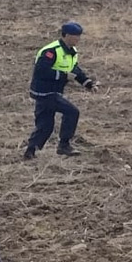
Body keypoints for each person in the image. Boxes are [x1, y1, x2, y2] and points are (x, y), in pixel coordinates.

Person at [24, 20, 99, 159]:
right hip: (45, 92)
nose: (78, 39)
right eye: (75, 35)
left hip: (54, 91)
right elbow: (41, 71)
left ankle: (30, 151)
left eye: (79, 36)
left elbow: (74, 69)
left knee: (45, 125)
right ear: (65, 35)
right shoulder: (51, 51)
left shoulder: (72, 52)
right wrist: (64, 77)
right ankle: (64, 145)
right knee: (72, 112)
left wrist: (87, 83)